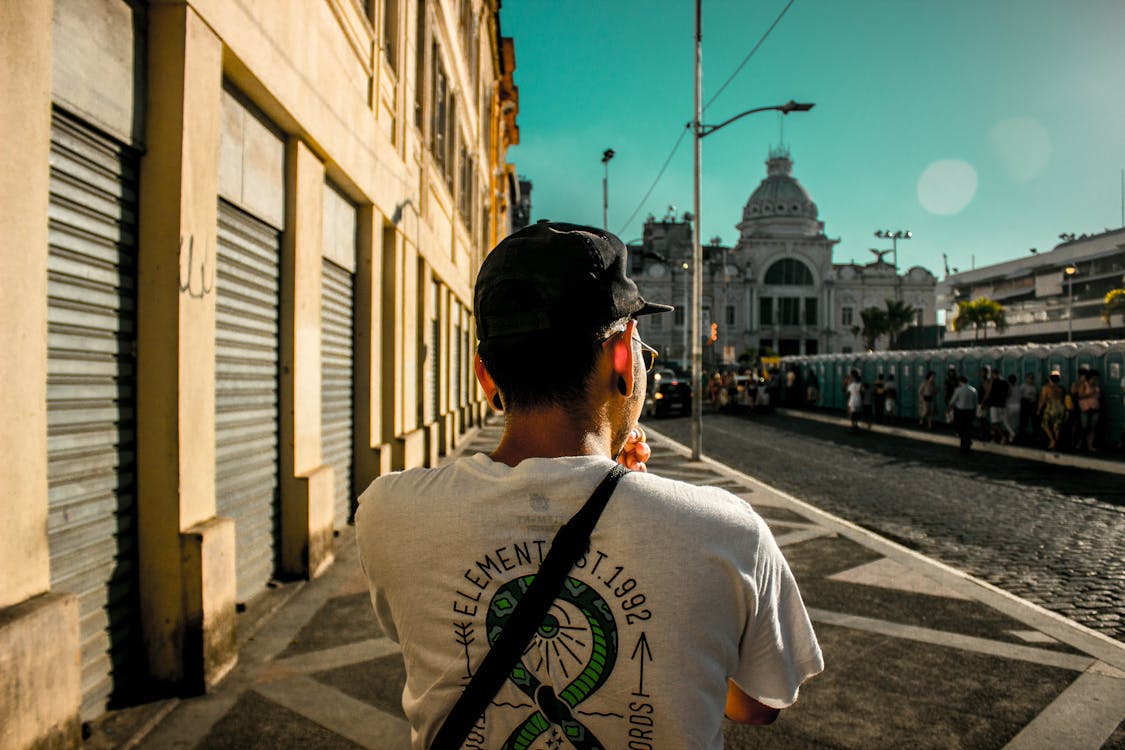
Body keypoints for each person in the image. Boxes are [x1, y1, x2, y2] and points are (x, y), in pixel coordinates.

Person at [354, 222, 823, 747]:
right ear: (623, 355)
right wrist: (646, 508)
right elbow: (758, 704)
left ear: (487, 378)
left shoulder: (387, 513)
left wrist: (623, 495)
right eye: (644, 355)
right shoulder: (728, 534)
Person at [1038, 370, 1067, 451]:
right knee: (1057, 426)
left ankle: (1052, 440)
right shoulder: (1061, 388)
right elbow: (1064, 398)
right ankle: (1055, 443)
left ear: (1050, 379)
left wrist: (1039, 409)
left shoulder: (1046, 388)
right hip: (1061, 407)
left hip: (1051, 407)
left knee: (1045, 424)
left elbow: (1043, 400)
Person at [949, 375, 979, 452]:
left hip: (960, 411)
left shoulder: (958, 390)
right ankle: (968, 442)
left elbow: (952, 401)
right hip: (970, 411)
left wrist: (949, 409)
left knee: (961, 428)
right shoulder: (973, 390)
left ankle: (963, 443)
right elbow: (975, 403)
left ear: (960, 382)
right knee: (968, 427)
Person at [1078, 369, 1102, 452]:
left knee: (1092, 427)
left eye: (1096, 378)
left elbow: (1098, 396)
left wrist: (1097, 393)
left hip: (1095, 408)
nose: (1095, 380)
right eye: (1094, 378)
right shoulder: (1084, 385)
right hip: (1086, 409)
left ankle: (1090, 445)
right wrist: (1090, 394)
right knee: (1084, 427)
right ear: (1089, 378)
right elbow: (1080, 396)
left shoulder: (1096, 386)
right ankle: (1080, 443)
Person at [984, 369, 1010, 443]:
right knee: (997, 422)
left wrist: (984, 403)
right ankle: (994, 438)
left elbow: (988, 393)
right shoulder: (1005, 382)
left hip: (994, 405)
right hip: (1002, 405)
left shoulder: (992, 382)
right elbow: (1008, 393)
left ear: (993, 374)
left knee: (994, 422)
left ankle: (1002, 436)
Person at [1018, 373, 1038, 444]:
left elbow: (1035, 396)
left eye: (1032, 378)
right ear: (1026, 379)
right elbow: (1020, 396)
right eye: (1030, 378)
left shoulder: (1034, 387)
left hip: (1032, 405)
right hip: (1026, 404)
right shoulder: (1023, 386)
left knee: (1034, 420)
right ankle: (1022, 435)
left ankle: (1034, 435)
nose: (1031, 380)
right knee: (1024, 421)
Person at [1003, 374, 1021, 445]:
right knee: (1014, 423)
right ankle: (1011, 439)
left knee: (1005, 421)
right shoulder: (1019, 388)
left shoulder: (1008, 388)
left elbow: (1006, 396)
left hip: (1010, 406)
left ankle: (1012, 433)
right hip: (1018, 406)